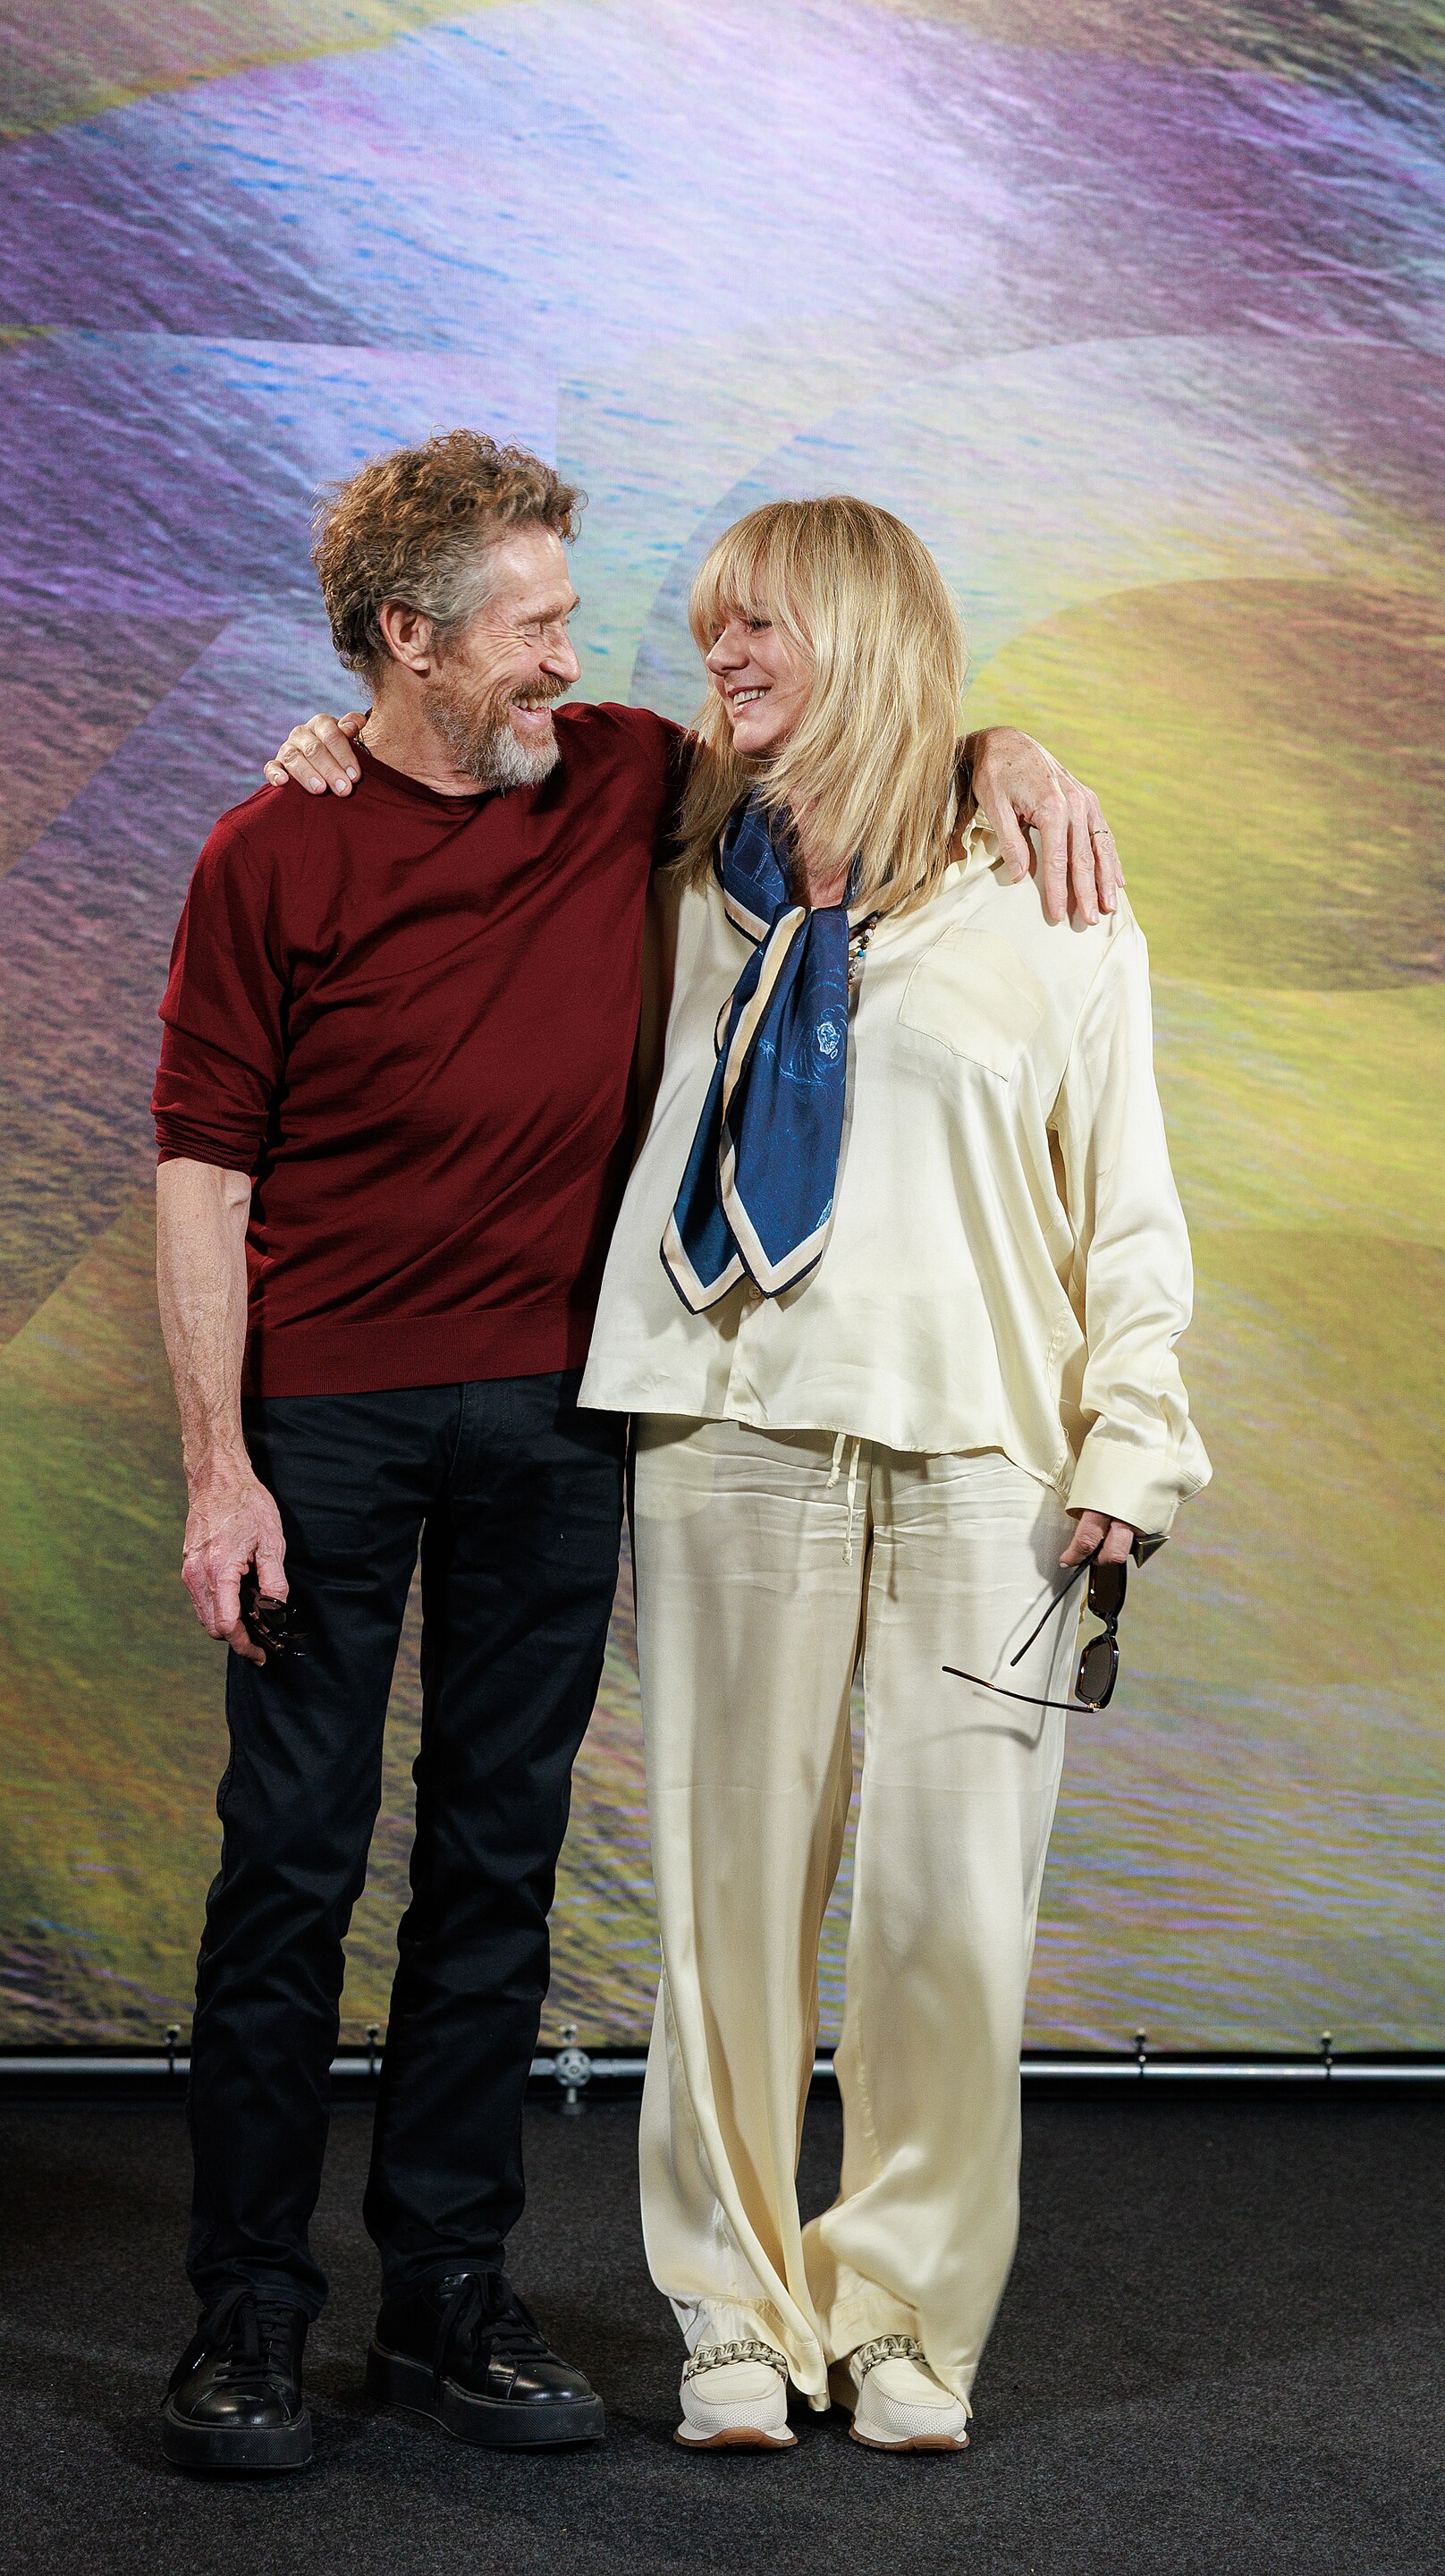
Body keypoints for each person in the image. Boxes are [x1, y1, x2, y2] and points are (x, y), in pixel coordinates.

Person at [155, 430, 1122, 2476]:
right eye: (533, 630)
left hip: (562, 1416)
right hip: (327, 1419)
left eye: (582, 629)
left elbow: (867, 734)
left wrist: (1007, 747)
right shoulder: (280, 844)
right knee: (292, 1870)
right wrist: (217, 1464)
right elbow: (199, 1168)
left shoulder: (615, 784)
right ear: (408, 644)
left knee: (496, 1871)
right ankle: (249, 2309)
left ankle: (447, 2293)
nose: (580, 665)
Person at [574, 495, 1210, 2455]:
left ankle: (911, 2318)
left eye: (756, 628)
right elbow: (474, 768)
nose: (722, 666)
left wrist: (1134, 1435)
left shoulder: (1051, 891)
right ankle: (737, 2317)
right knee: (725, 1911)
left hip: (984, 1461)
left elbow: (1130, 1206)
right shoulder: (683, 868)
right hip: (726, 1434)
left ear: (862, 631)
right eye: (708, 636)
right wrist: (325, 742)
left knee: (950, 1918)